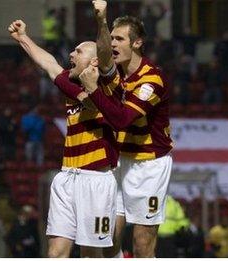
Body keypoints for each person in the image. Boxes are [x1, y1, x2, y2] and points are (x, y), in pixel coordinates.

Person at [8, 19, 118, 257]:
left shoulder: (111, 87)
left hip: (96, 180)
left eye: (78, 51)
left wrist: (101, 20)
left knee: (91, 253)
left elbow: (107, 55)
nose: (71, 54)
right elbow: (49, 63)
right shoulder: (71, 84)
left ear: (94, 61)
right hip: (67, 177)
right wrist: (23, 38)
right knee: (56, 252)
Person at [90, 1, 174, 257]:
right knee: (107, 240)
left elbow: (123, 119)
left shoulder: (151, 79)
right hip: (120, 163)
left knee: (141, 243)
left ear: (137, 43)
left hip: (148, 166)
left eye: (120, 39)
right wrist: (102, 21)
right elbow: (102, 53)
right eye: (112, 38)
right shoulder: (118, 74)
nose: (113, 44)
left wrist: (94, 90)